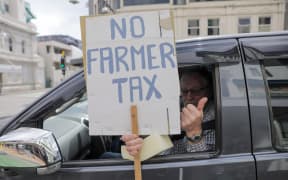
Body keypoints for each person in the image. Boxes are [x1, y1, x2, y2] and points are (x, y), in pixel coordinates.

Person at [121, 67, 215, 157]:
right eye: (184, 91)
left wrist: (194, 133)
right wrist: (141, 136)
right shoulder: (175, 104)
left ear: (208, 91)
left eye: (195, 91)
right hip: (156, 155)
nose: (189, 96)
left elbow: (204, 163)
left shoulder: (214, 117)